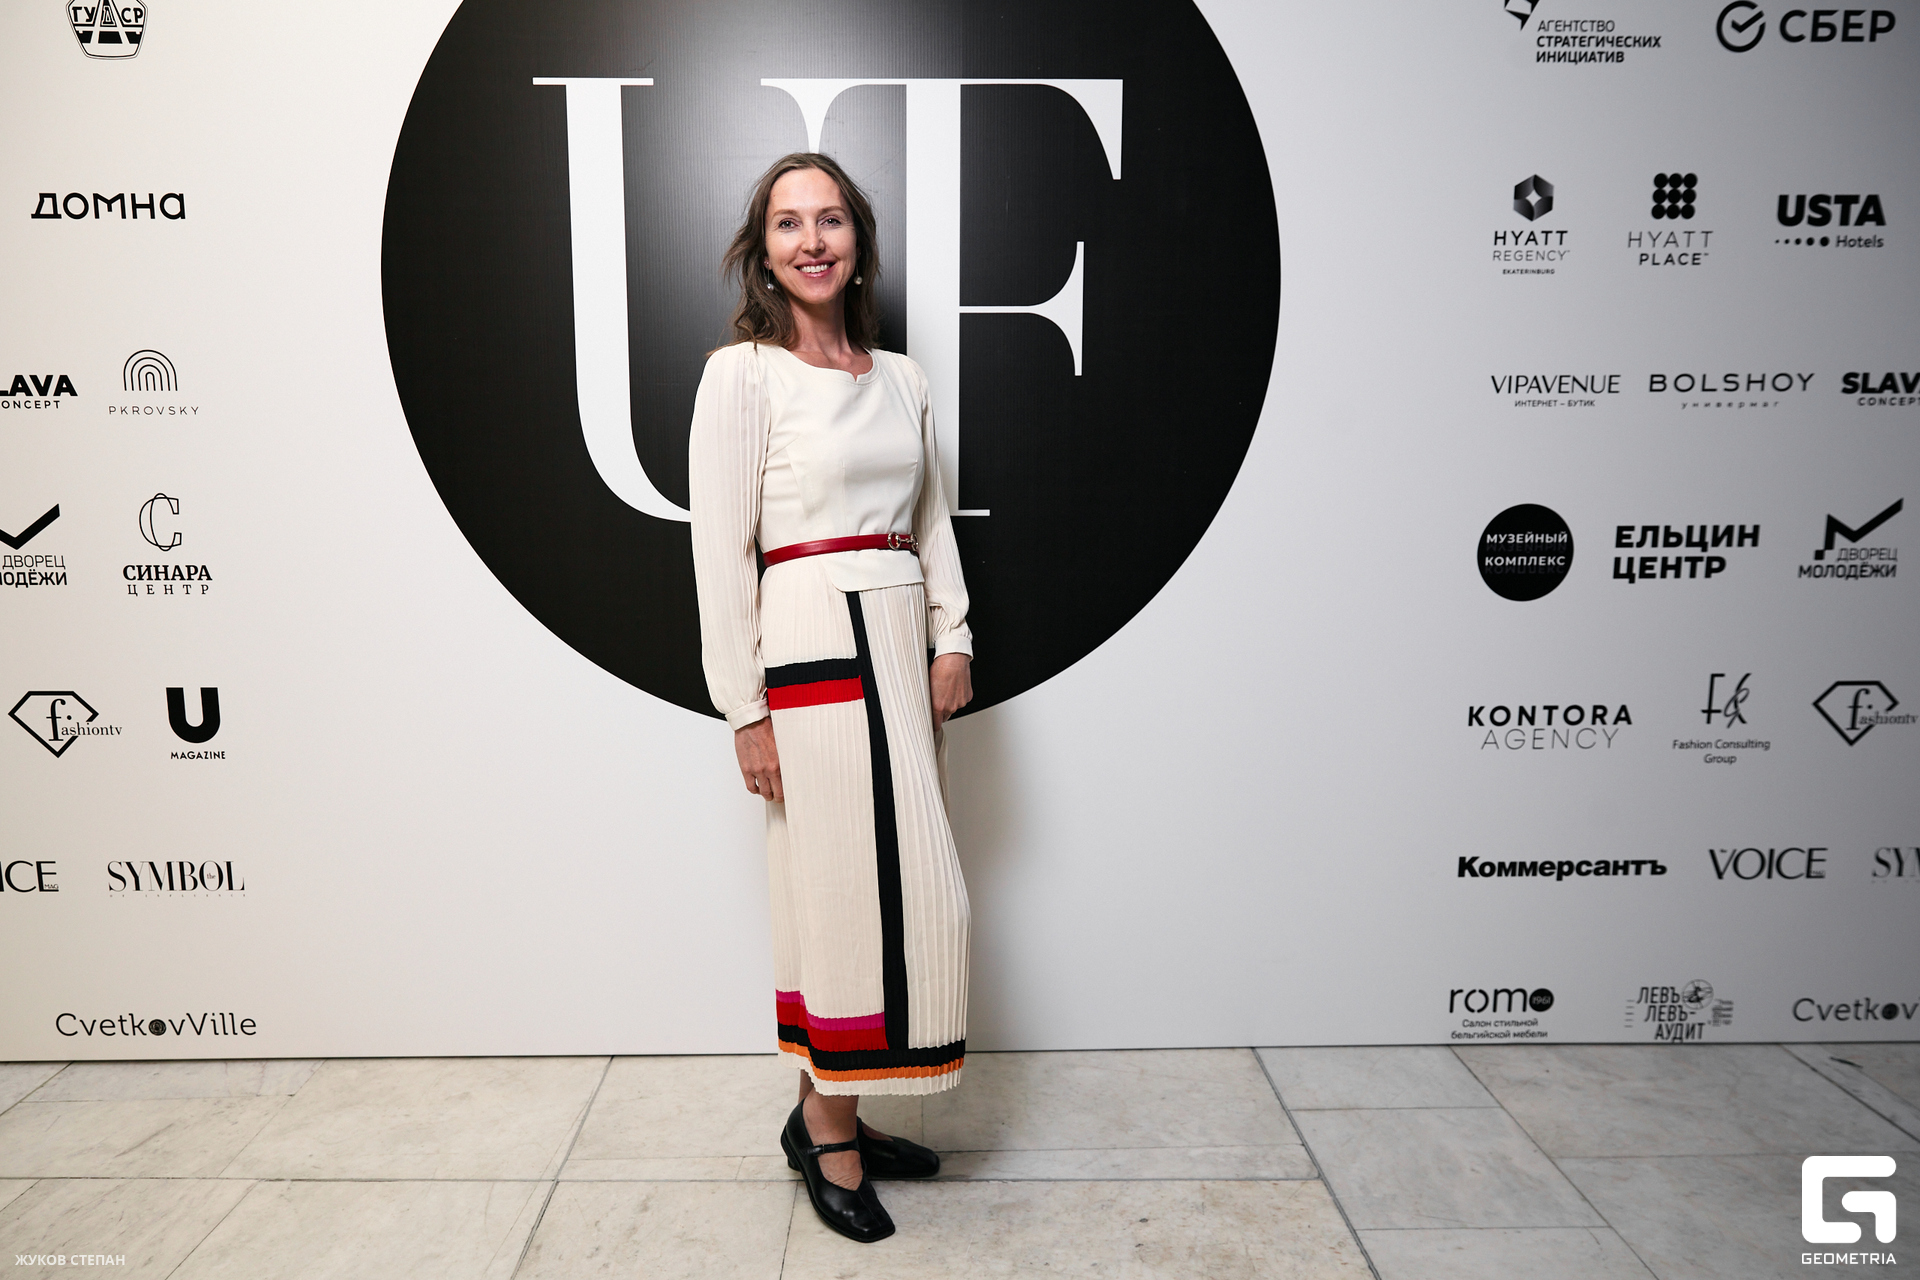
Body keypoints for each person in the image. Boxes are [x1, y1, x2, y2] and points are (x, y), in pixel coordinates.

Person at [688, 152, 975, 1244]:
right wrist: (745, 708)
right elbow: (721, 553)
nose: (812, 240)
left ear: (859, 239)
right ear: (763, 252)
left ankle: (839, 1098)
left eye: (832, 219)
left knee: (916, 891)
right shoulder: (742, 376)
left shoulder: (902, 377)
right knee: (839, 890)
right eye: (788, 223)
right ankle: (827, 1123)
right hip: (808, 645)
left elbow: (932, 516)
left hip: (898, 641)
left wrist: (953, 635)